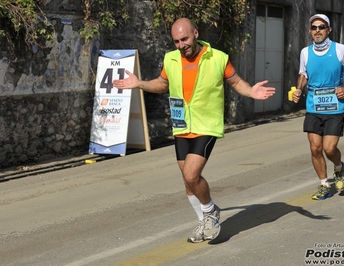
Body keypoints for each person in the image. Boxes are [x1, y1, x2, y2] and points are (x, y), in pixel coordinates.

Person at [112, 18, 275, 243]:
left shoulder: (218, 58)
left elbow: (236, 82)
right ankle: (204, 221)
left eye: (185, 39)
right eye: (177, 41)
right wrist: (139, 83)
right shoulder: (171, 59)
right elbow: (162, 83)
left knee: (191, 174)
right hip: (181, 125)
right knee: (187, 180)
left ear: (196, 33)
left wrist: (251, 92)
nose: (181, 45)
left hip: (206, 125)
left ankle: (210, 212)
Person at [292, 14, 344, 200]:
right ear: (310, 31)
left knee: (329, 149)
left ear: (328, 30)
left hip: (335, 106)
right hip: (314, 106)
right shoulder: (305, 52)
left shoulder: (340, 49)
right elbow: (303, 74)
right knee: (315, 148)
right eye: (314, 27)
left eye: (321, 27)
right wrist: (299, 89)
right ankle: (324, 184)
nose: (317, 30)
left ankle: (338, 168)